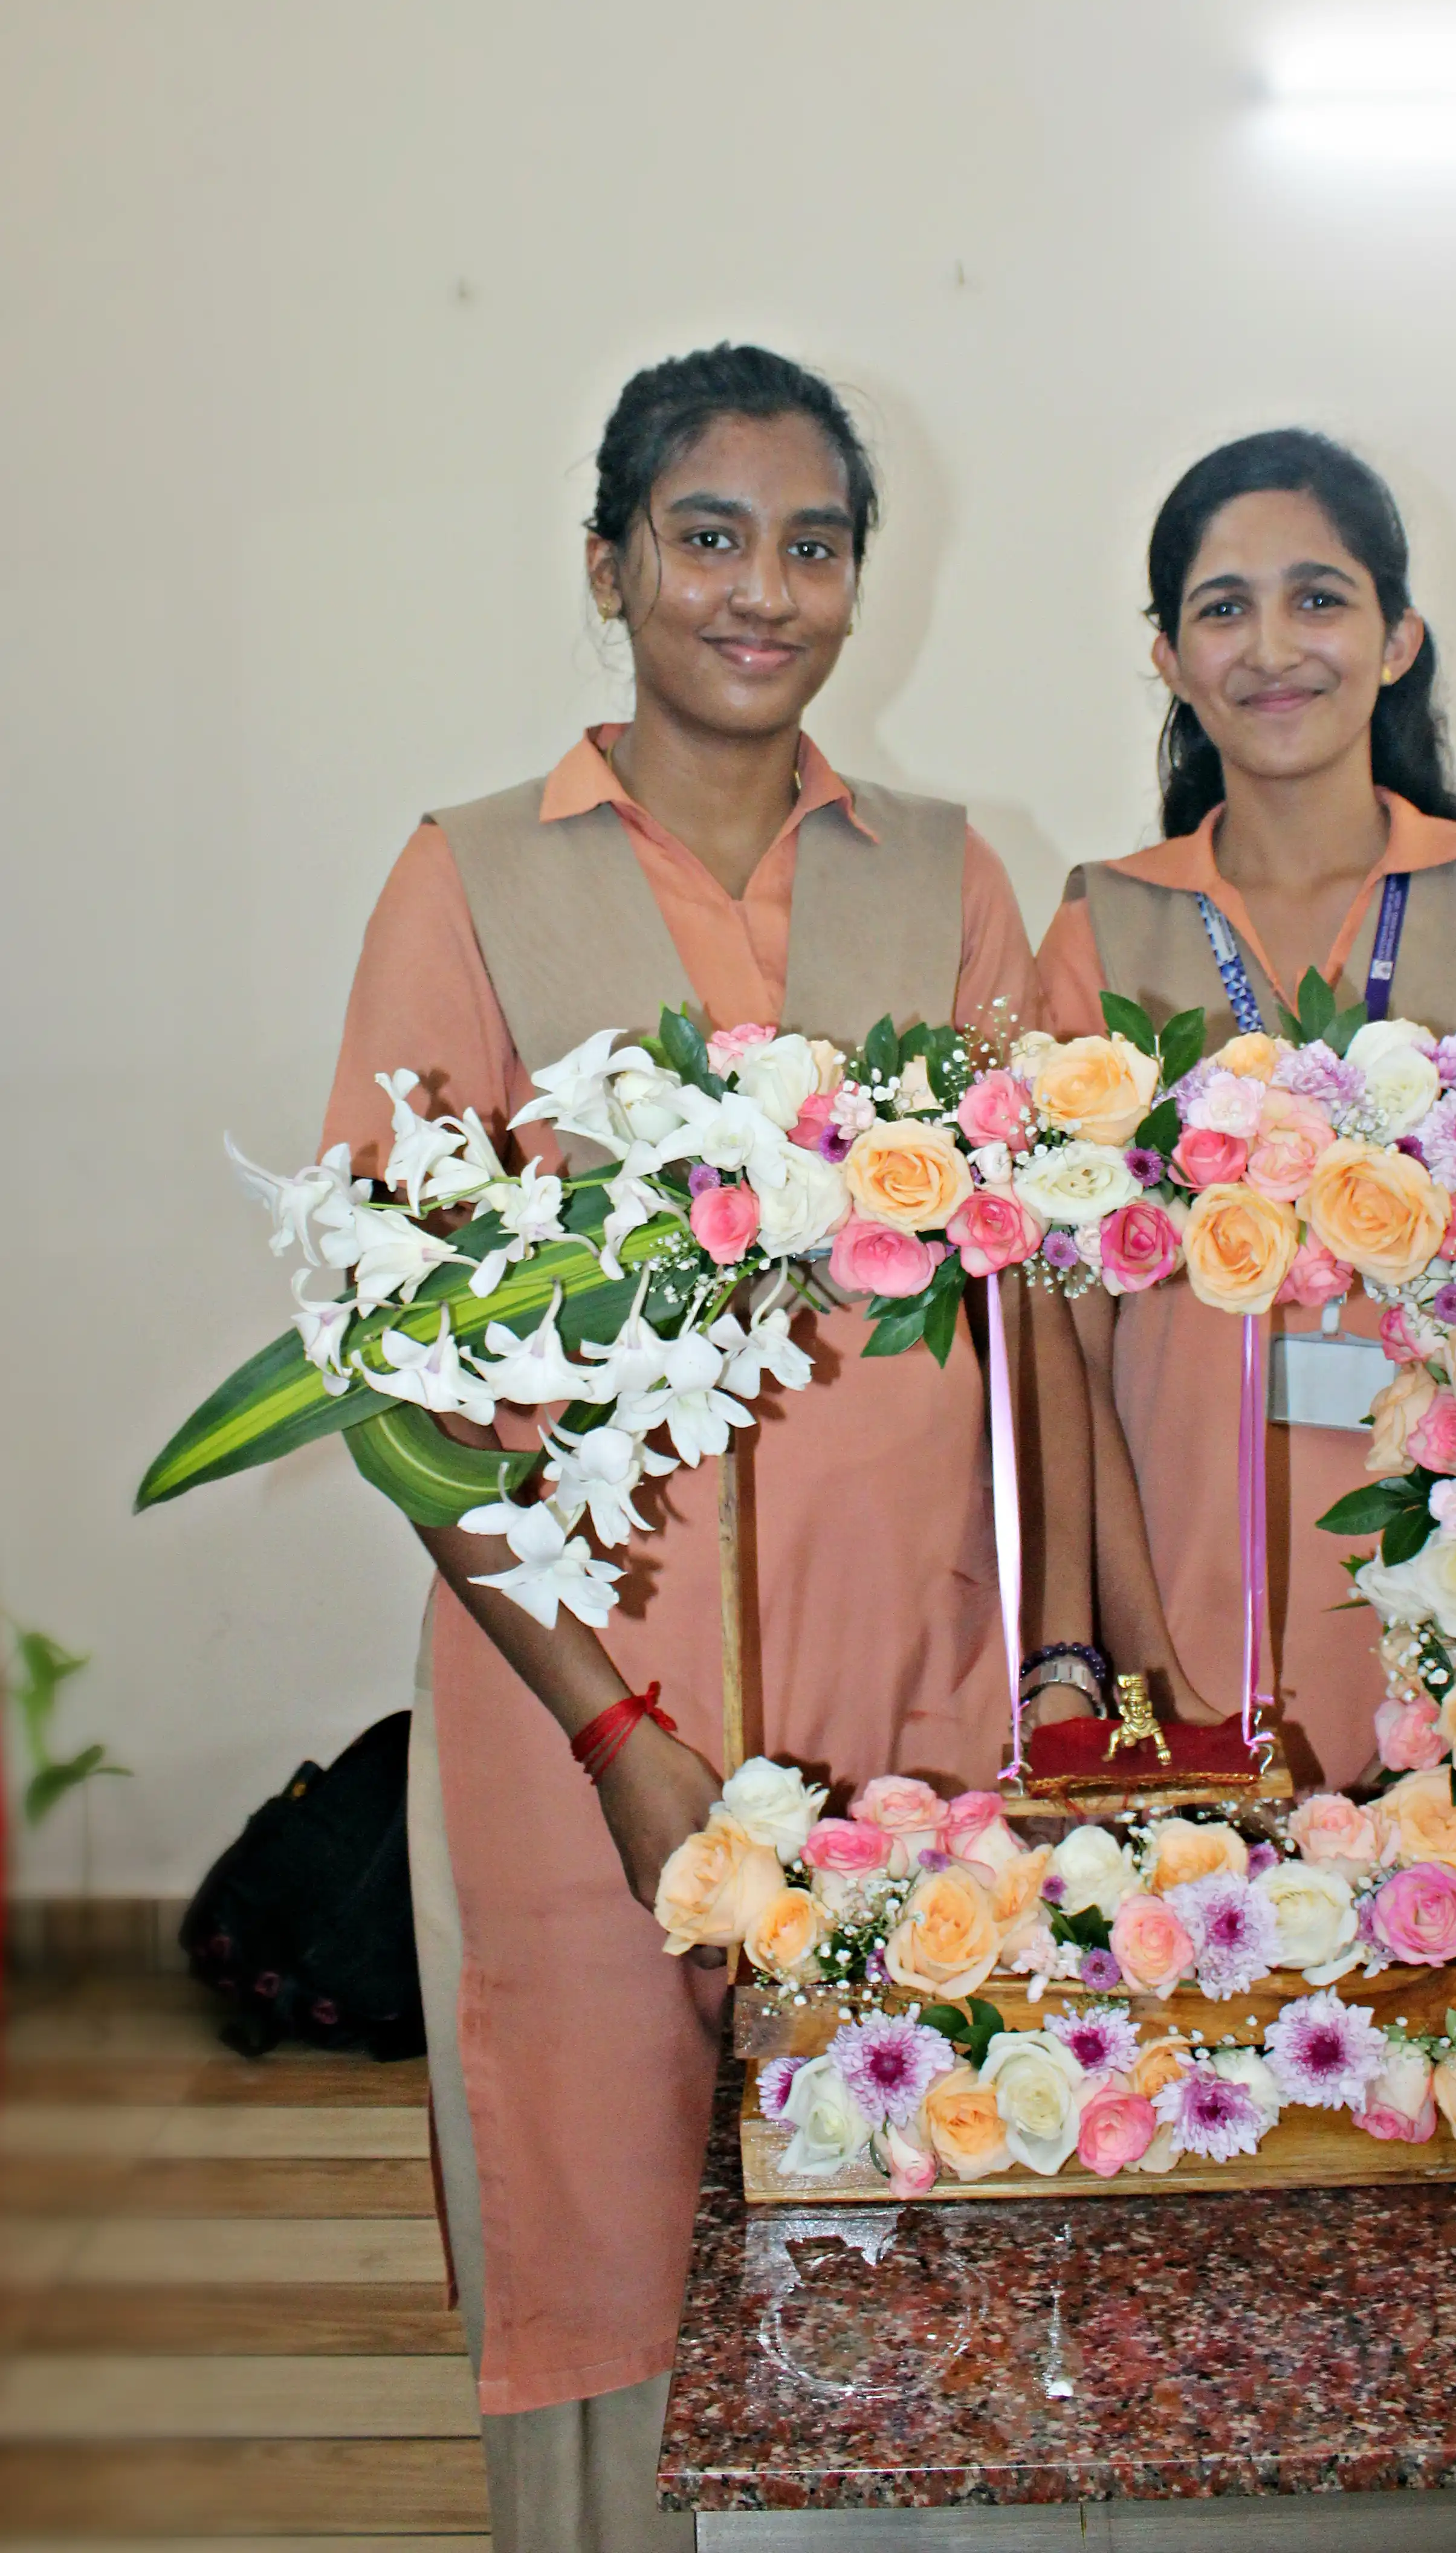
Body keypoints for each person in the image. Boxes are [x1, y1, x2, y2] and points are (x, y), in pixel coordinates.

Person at [320, 344, 1082, 2551]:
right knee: (598, 2230)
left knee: (903, 2201)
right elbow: (394, 1367)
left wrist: (1040, 1673)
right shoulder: (465, 878)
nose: (763, 590)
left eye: (813, 543)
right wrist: (622, 1736)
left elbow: (1034, 1293)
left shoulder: (944, 882)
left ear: (862, 582)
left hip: (906, 1688)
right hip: (580, 1714)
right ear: (610, 564)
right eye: (707, 535)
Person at [1037, 429, 1456, 1786]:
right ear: (1169, 658)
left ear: (1398, 640)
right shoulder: (1107, 926)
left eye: (1318, 598)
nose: (1273, 645)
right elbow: (1064, 1345)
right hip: (1189, 1593)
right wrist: (1131, 1657)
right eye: (1224, 608)